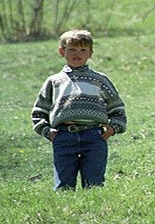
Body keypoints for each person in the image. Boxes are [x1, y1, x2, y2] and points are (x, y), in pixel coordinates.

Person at [31, 29, 127, 190]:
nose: (78, 54)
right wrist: (47, 131)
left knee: (94, 183)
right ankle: (66, 211)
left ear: (90, 53)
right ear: (62, 51)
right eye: (72, 50)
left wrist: (113, 128)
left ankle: (95, 212)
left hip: (94, 137)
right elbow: (39, 111)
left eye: (83, 50)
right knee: (64, 185)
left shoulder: (100, 80)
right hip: (63, 137)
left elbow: (117, 108)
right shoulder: (54, 81)